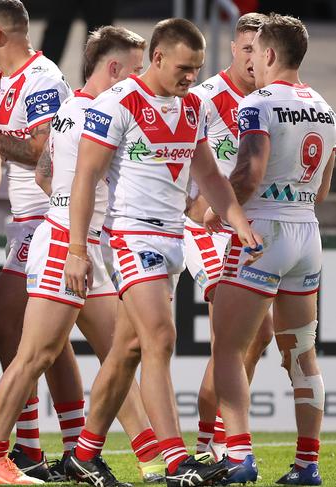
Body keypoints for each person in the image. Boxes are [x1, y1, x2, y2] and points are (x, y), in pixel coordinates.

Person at [63, 18, 262, 487]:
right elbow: (85, 178)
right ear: (156, 58)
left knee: (128, 349)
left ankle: (84, 452)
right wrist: (77, 249)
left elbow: (210, 176)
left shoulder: (192, 106)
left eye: (196, 68)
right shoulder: (117, 104)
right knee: (161, 337)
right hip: (131, 236)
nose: (191, 77)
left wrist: (238, 223)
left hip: (172, 238)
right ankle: (176, 462)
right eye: (183, 67)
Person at [0, 24, 167, 486]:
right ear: (114, 68)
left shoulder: (74, 108)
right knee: (34, 355)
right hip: (69, 244)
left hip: (84, 241)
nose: (143, 79)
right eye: (137, 70)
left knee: (122, 353)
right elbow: (63, 180)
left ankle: (150, 460)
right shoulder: (96, 114)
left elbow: (44, 175)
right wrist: (78, 224)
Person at [208, 14, 335, 485]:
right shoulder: (324, 106)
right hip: (308, 233)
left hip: (261, 233)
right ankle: (307, 465)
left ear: (269, 55)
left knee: (228, 348)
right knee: (302, 355)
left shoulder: (258, 102)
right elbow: (322, 190)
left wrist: (220, 208)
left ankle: (239, 457)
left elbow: (249, 173)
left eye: (255, 52)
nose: (252, 61)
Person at [0, 1, 86, 478]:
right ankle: (67, 448)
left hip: (47, 220)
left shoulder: (42, 79)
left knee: (6, 324)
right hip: (27, 222)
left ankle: (42, 448)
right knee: (49, 341)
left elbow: (41, 150)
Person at [184, 12, 274, 461]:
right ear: (235, 48)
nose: (254, 60)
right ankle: (216, 446)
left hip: (243, 228)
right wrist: (193, 206)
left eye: (262, 51)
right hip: (205, 227)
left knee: (257, 337)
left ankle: (210, 442)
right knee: (235, 335)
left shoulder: (272, 100)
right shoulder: (205, 98)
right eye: (246, 50)